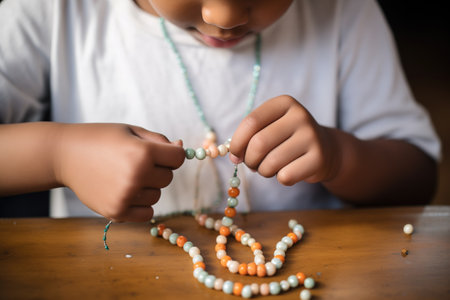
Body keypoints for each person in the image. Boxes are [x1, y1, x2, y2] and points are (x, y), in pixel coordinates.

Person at [0, 0, 441, 222]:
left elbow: (418, 178)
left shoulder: (344, 13)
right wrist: (56, 154)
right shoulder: (56, 12)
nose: (224, 15)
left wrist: (341, 157)